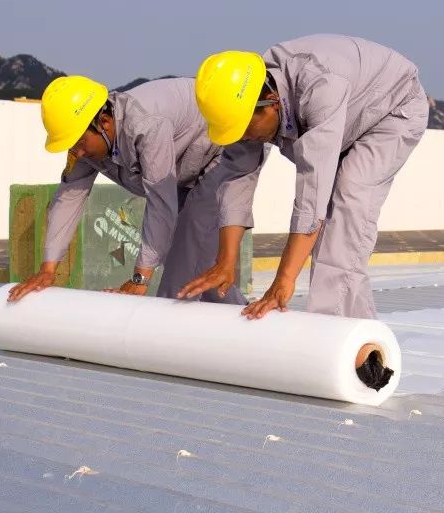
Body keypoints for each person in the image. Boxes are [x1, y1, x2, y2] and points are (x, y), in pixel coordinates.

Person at [177, 35, 428, 321]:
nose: (243, 137)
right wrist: (226, 261)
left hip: (392, 109)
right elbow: (237, 179)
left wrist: (283, 280)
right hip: (348, 113)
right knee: (331, 215)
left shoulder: (320, 85)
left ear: (271, 103)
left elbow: (312, 193)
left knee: (348, 203)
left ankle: (336, 328)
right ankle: (355, 330)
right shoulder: (247, 100)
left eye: (244, 128)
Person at [7, 75, 252, 304]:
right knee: (200, 264)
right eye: (72, 146)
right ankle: (243, 321)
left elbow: (161, 201)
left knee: (184, 258)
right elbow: (69, 195)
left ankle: (167, 331)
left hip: (222, 153)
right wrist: (48, 269)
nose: (78, 153)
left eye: (80, 143)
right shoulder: (87, 143)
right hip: (184, 169)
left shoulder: (145, 124)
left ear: (104, 122)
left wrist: (140, 279)